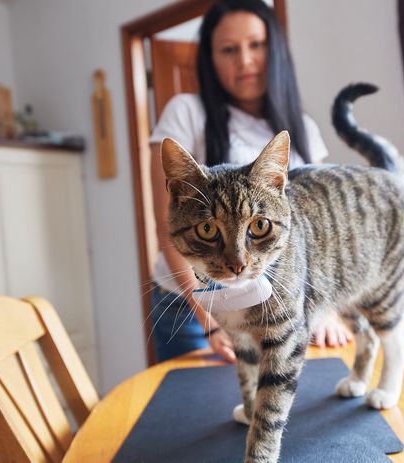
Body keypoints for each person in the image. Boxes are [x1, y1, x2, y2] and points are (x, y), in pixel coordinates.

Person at [149, 0, 352, 363]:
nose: (244, 60)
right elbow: (166, 226)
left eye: (256, 45)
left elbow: (320, 230)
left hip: (280, 299)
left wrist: (327, 309)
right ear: (210, 58)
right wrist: (210, 320)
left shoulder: (302, 127)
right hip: (194, 300)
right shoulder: (186, 112)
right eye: (229, 49)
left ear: (275, 50)